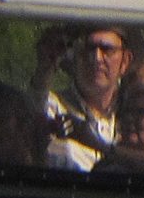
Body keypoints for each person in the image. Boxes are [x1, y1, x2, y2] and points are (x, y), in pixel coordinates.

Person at [45, 25, 129, 170]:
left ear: (125, 61)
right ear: (74, 56)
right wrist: (44, 69)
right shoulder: (51, 107)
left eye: (106, 49)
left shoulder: (135, 116)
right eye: (88, 49)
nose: (96, 58)